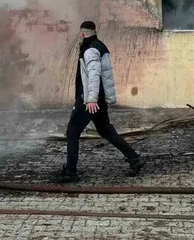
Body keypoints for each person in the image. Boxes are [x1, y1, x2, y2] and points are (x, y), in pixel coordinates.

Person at [55, 21, 145, 183]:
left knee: (72, 131)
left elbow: (94, 75)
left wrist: (91, 100)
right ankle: (134, 158)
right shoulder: (100, 46)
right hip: (99, 99)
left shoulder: (90, 50)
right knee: (105, 130)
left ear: (83, 33)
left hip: (90, 101)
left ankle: (70, 172)